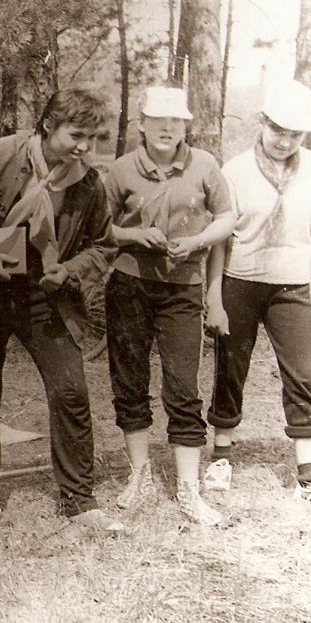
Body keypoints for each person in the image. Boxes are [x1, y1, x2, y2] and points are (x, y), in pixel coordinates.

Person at [0, 86, 122, 534]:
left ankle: (79, 500)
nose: (84, 147)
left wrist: (70, 271)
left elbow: (103, 246)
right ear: (47, 125)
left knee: (70, 390)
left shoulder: (89, 183)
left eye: (92, 138)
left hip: (45, 293)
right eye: (75, 135)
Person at [103, 86, 235, 526]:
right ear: (141, 124)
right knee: (129, 380)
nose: (166, 128)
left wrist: (197, 241)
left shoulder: (205, 165)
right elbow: (98, 226)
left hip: (184, 287)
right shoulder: (121, 170)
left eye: (175, 121)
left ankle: (188, 488)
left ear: (185, 125)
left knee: (182, 385)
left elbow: (227, 217)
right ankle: (139, 474)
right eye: (157, 120)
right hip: (130, 286)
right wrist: (134, 235)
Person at [206, 78, 311, 499]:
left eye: (295, 134)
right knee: (231, 369)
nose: (285, 141)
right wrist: (214, 297)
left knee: (300, 373)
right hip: (241, 283)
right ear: (262, 122)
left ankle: (308, 468)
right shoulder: (235, 170)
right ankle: (221, 456)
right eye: (278, 130)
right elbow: (220, 241)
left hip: (292, 287)